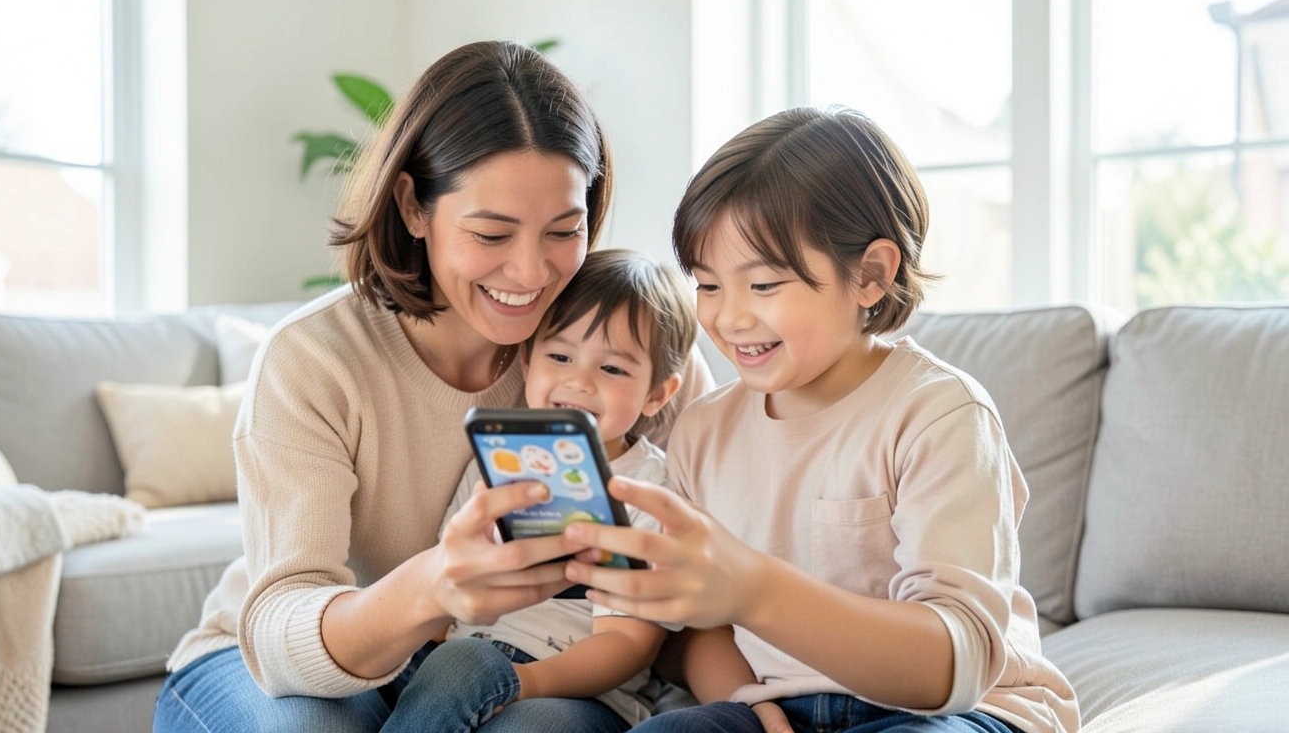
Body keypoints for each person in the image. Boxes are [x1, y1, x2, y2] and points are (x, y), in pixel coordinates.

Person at [152, 41, 713, 733]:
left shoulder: (626, 352)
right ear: (414, 207)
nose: (532, 273)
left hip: (512, 661)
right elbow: (279, 630)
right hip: (282, 664)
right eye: (491, 233)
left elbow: (710, 574)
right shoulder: (316, 359)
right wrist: (432, 588)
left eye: (565, 230)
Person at [559, 107, 1082, 733]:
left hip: (958, 712)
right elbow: (699, 637)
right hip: (781, 707)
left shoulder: (937, 413)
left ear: (869, 276)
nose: (729, 319)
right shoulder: (702, 432)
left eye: (764, 285)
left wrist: (754, 589)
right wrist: (756, 710)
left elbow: (955, 663)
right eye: (708, 284)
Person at [382, 248, 697, 732]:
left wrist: (525, 682)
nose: (578, 381)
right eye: (560, 356)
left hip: (578, 695)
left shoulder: (651, 492)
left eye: (612, 369)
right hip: (455, 666)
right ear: (527, 361)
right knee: (445, 664)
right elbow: (448, 575)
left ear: (658, 394)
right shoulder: (499, 456)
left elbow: (628, 643)